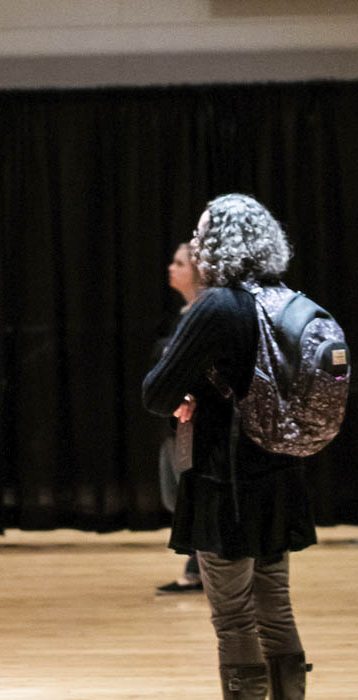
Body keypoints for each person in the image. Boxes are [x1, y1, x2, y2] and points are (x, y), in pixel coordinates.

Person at [142, 194, 315, 700]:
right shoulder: (284, 300)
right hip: (282, 480)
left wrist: (187, 391)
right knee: (278, 612)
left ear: (217, 245)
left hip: (226, 485)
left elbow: (157, 392)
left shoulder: (218, 304)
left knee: (234, 620)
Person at [154, 243, 205, 595]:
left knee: (194, 497)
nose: (172, 268)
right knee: (176, 498)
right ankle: (198, 564)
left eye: (179, 263)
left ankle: (199, 568)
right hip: (174, 424)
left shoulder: (204, 317)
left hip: (194, 425)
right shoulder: (183, 315)